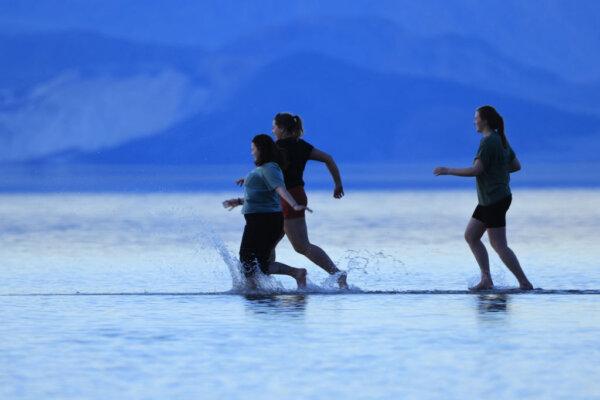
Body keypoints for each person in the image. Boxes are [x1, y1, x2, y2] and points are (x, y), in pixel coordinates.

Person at [433, 105, 533, 291]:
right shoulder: (500, 139)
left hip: (494, 199)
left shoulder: (487, 142)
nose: (474, 121)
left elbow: (477, 170)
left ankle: (524, 283)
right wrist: (496, 170)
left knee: (498, 244)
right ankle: (486, 279)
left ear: (484, 120)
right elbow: (516, 166)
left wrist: (448, 170)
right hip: (492, 198)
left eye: (476, 117)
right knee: (471, 236)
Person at [271, 112, 348, 289]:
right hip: (290, 196)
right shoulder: (301, 145)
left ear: (282, 129)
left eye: (274, 126)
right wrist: (338, 185)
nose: (272, 129)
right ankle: (262, 283)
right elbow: (328, 158)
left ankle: (337, 274)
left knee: (301, 246)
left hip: (289, 197)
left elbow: (265, 173)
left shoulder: (277, 147)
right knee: (269, 242)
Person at [223, 134, 309, 290]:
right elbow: (261, 194)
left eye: (253, 149)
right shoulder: (264, 169)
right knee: (253, 261)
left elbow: (280, 189)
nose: (252, 152)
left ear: (261, 149)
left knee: (252, 261)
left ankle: (295, 274)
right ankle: (255, 289)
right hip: (259, 220)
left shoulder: (270, 168)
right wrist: (239, 201)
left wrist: (294, 205)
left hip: (266, 221)